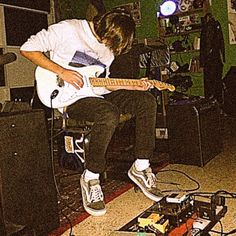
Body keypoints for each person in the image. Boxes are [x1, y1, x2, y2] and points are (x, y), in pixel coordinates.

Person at [20, 9, 163, 217]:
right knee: (108, 113)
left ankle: (141, 166)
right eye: (109, 42)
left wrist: (131, 86)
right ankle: (90, 176)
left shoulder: (109, 49)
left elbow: (101, 85)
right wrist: (62, 71)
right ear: (105, 28)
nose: (108, 49)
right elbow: (28, 49)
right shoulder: (68, 29)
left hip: (95, 94)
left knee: (146, 101)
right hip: (69, 97)